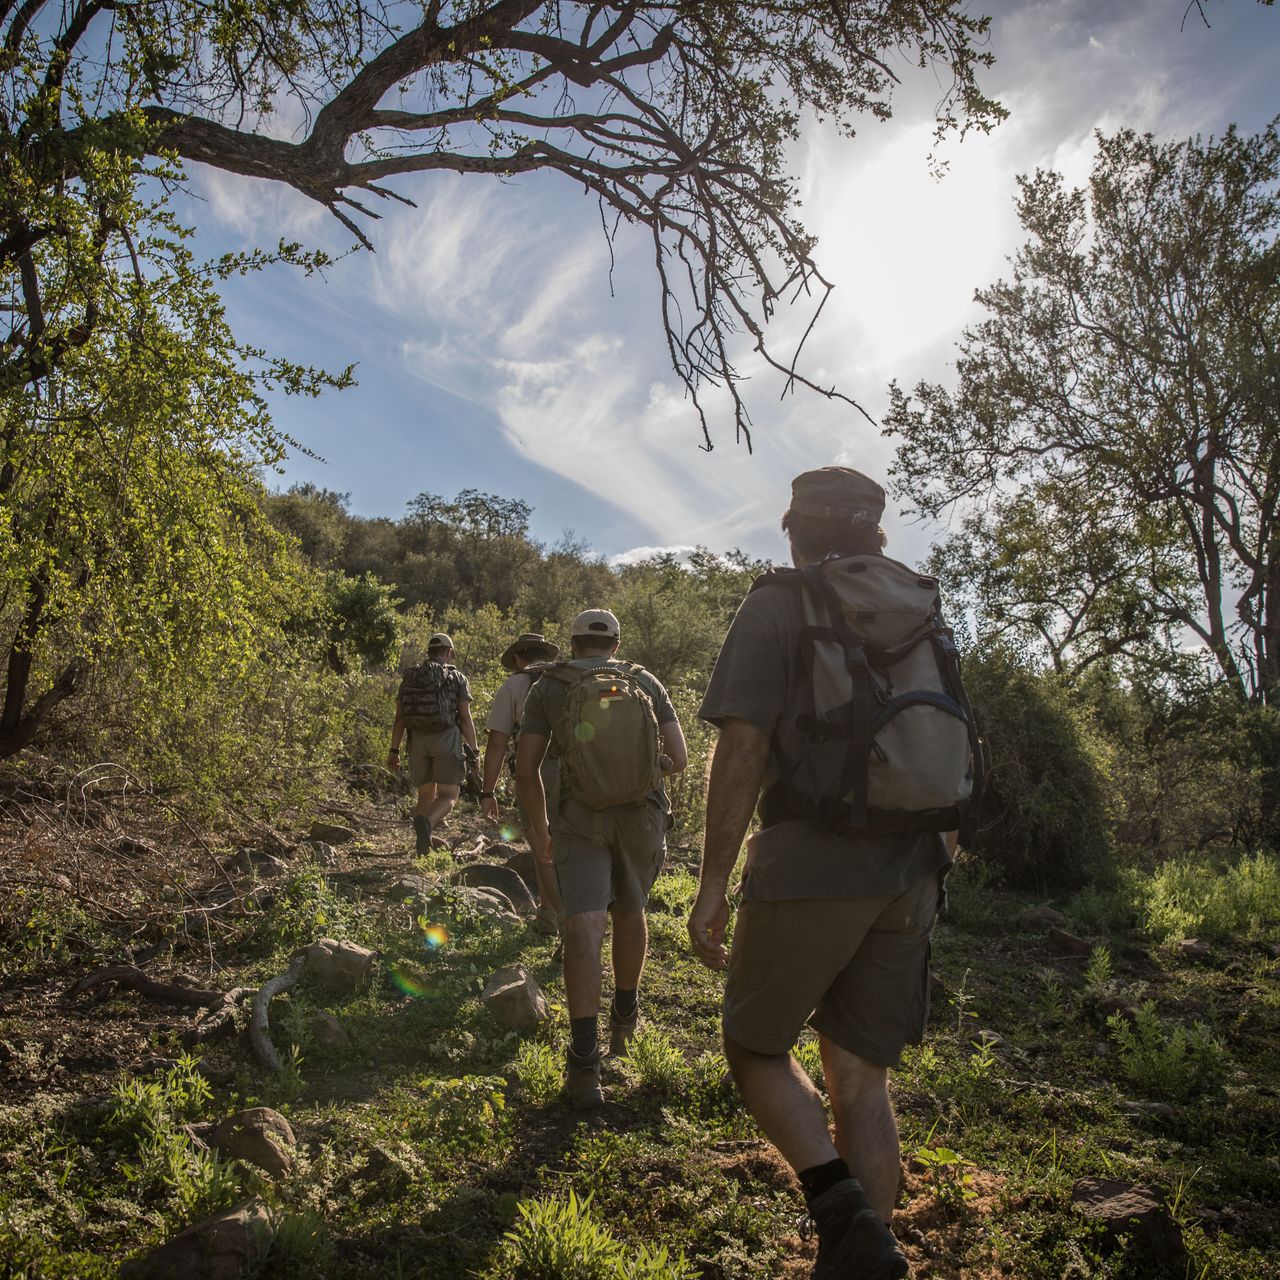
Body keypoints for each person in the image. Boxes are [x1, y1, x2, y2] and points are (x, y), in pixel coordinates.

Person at [689, 467, 956, 1280]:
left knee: (754, 1047)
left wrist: (712, 883)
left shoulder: (780, 602)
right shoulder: (923, 608)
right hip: (914, 864)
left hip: (812, 858)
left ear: (793, 530)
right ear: (877, 533)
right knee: (861, 1079)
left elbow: (743, 746)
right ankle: (863, 1257)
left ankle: (844, 1217)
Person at [516, 608, 688, 1109]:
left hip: (578, 819)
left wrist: (541, 828)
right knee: (631, 911)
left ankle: (584, 1063)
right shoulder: (644, 681)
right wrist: (636, 772)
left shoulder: (548, 686)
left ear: (572, 644)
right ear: (615, 644)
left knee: (584, 925)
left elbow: (526, 769)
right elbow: (678, 759)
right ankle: (625, 1022)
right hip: (641, 817)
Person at [479, 630, 563, 934]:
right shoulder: (568, 679)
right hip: (582, 769)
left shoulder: (514, 685)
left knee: (543, 844)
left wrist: (487, 791)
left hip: (537, 771)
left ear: (517, 658)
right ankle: (566, 914)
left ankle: (556, 918)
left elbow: (497, 744)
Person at [387, 632, 478, 855]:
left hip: (417, 741)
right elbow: (465, 717)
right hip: (446, 738)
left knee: (425, 796)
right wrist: (474, 750)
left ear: (428, 653)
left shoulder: (411, 678)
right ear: (449, 652)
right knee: (449, 795)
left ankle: (423, 850)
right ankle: (427, 824)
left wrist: (394, 749)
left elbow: (400, 718)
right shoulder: (456, 678)